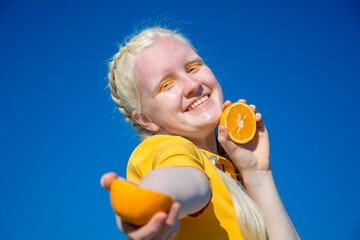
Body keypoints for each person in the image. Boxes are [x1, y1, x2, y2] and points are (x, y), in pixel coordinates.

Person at [100, 27, 300, 240]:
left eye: (193, 68)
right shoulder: (166, 148)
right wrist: (147, 203)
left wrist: (258, 173)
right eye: (166, 85)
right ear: (147, 120)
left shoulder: (232, 171)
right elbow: (184, 179)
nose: (192, 85)